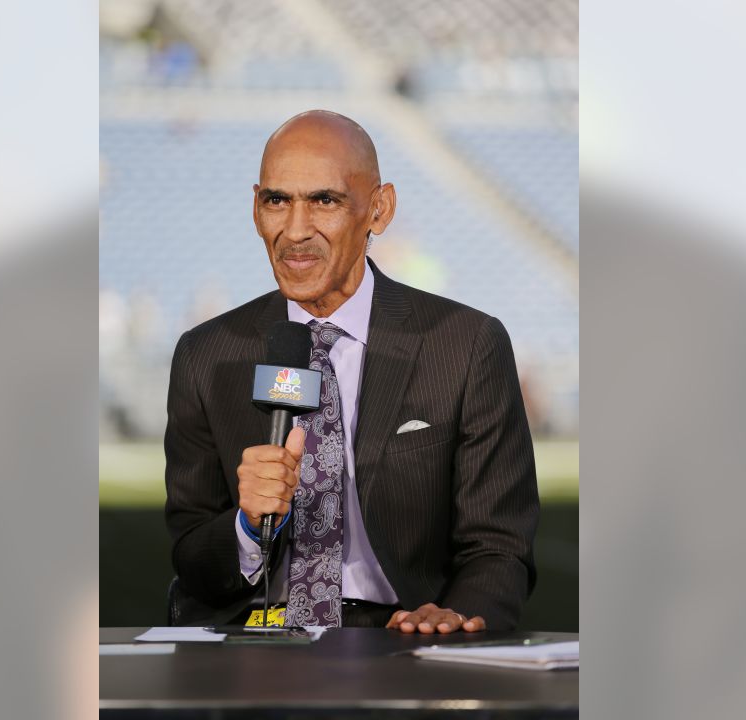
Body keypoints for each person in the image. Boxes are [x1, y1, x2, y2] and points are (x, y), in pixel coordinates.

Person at [164, 110, 538, 632]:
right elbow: (190, 555)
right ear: (255, 208)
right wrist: (246, 526)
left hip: (399, 636)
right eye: (277, 200)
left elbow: (498, 545)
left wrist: (451, 617)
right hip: (250, 641)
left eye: (324, 201)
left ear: (378, 209)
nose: (295, 231)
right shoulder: (205, 355)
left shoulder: (465, 346)